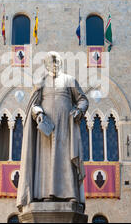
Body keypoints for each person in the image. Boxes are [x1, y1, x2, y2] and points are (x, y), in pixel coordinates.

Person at [17, 51, 89, 212]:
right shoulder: (41, 82)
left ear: (61, 63)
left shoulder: (70, 80)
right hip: (46, 131)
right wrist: (39, 113)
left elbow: (83, 99)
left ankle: (70, 193)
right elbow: (33, 104)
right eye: (51, 62)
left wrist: (79, 110)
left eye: (56, 62)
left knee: (66, 158)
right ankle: (45, 194)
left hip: (65, 127)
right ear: (46, 65)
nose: (54, 65)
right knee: (46, 160)